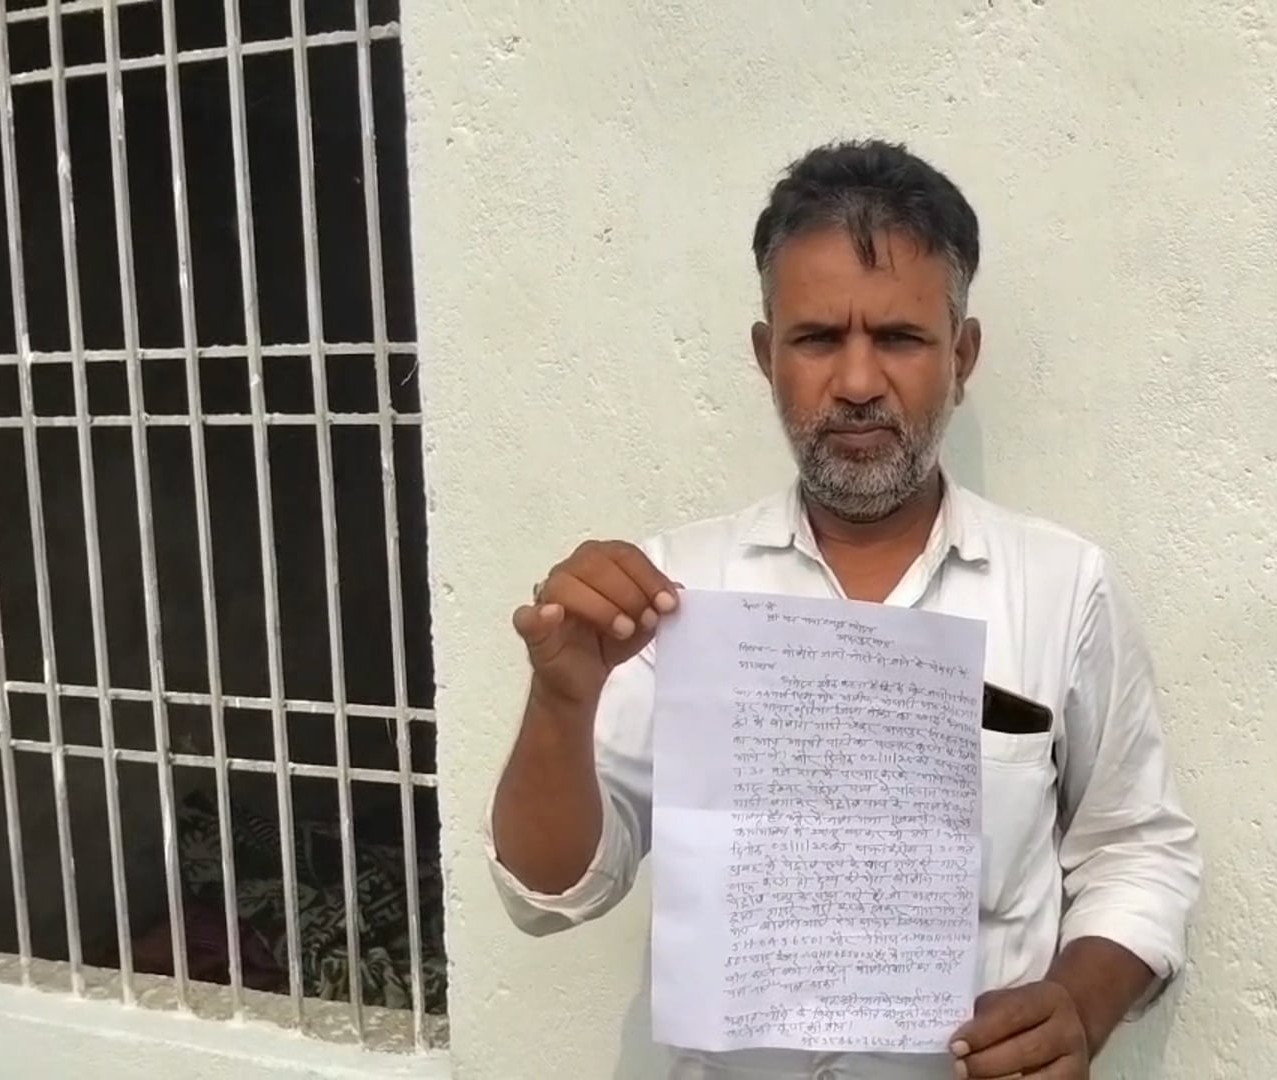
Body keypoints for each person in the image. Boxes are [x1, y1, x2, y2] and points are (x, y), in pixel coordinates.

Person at [487, 139, 1202, 1079]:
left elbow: (1136, 849)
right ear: (765, 356)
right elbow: (550, 893)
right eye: (818, 338)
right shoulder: (672, 593)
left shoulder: (1063, 587)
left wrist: (1080, 1004)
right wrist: (562, 701)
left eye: (900, 338)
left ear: (962, 356)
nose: (859, 383)